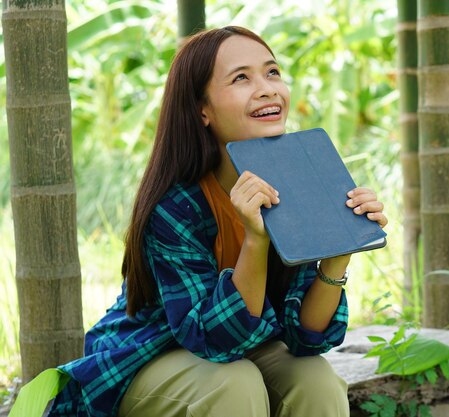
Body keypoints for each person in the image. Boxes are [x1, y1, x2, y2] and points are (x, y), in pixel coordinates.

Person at [48, 26, 387, 417]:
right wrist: (256, 241)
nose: (267, 88)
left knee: (316, 379)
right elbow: (218, 342)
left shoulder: (295, 180)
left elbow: (307, 338)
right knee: (234, 383)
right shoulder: (175, 207)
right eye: (241, 78)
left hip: (243, 347)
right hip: (151, 357)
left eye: (272, 72)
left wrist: (338, 254)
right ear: (201, 110)